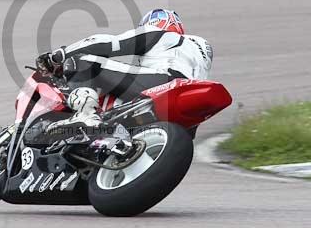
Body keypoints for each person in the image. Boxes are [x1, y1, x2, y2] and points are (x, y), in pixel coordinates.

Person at [37, 8, 213, 134]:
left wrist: (59, 56)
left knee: (81, 61)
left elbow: (109, 43)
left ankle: (85, 115)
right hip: (184, 111)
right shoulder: (200, 51)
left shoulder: (158, 33)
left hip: (163, 83)